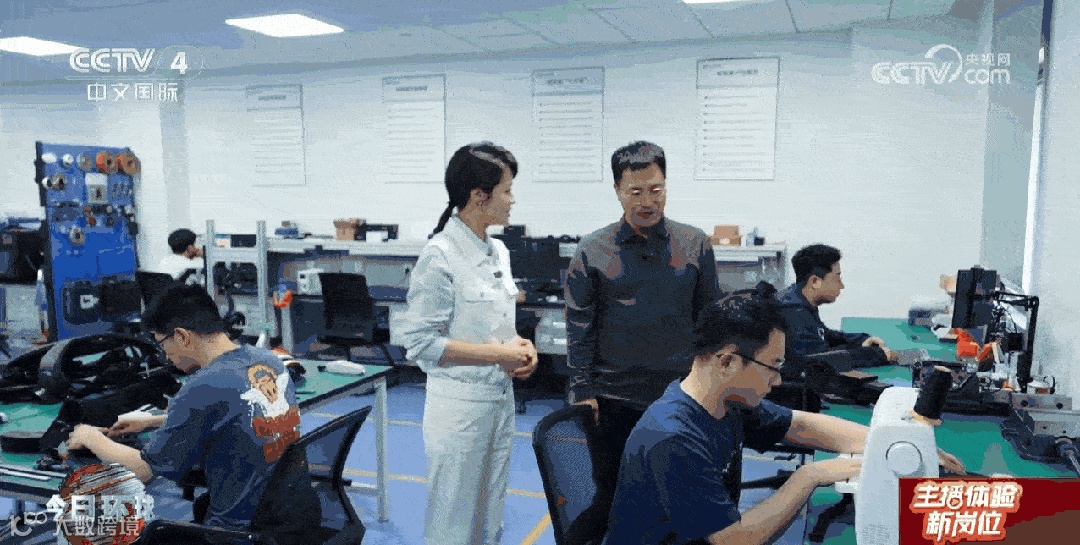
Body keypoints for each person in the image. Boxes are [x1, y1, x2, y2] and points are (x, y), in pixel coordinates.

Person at [604, 289, 966, 545]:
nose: (777, 381)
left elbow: (800, 425)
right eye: (772, 366)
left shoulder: (725, 402)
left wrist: (898, 445)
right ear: (727, 361)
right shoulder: (674, 438)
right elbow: (735, 539)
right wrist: (809, 476)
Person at [65, 284, 313, 539]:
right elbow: (243, 412)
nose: (165, 355)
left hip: (237, 534)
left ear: (182, 336)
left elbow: (143, 470)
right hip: (293, 518)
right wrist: (153, 421)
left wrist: (90, 437)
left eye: (162, 343)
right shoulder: (268, 360)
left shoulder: (202, 386)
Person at [392, 142, 539, 545]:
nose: (512, 200)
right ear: (479, 196)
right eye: (507, 190)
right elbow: (421, 343)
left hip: (499, 401)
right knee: (453, 523)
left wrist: (521, 347)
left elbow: (493, 327)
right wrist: (499, 355)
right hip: (459, 409)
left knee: (490, 516)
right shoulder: (439, 256)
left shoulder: (498, 251)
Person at [564, 140, 719, 506]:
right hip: (614, 401)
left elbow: (710, 320)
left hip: (681, 399)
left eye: (656, 189)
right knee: (614, 499)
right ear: (617, 190)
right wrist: (583, 391)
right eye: (636, 192)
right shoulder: (592, 250)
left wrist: (714, 386)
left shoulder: (695, 244)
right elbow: (579, 328)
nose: (648, 201)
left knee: (679, 500)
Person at [777, 244, 899, 368]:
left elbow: (824, 335)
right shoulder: (793, 312)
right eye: (837, 278)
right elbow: (821, 360)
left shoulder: (797, 297)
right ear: (815, 281)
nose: (841, 286)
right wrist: (876, 355)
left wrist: (860, 340)